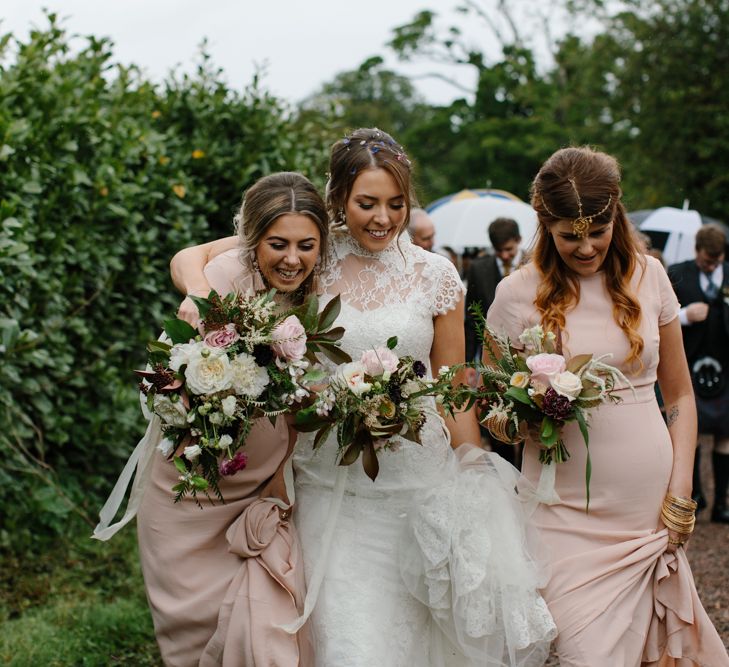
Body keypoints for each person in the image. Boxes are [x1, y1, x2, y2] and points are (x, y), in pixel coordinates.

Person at [170, 128, 556, 666]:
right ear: (339, 199)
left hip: (420, 486)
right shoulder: (307, 255)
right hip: (334, 491)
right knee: (349, 648)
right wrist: (196, 291)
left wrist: (471, 467)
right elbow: (194, 255)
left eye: (396, 204)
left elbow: (451, 387)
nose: (383, 218)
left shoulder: (436, 275)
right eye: (366, 203)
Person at [487, 146, 729, 666]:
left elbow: (680, 394)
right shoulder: (514, 294)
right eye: (570, 236)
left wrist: (682, 490)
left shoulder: (650, 277)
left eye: (597, 231)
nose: (586, 247)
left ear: (615, 216)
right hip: (558, 509)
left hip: (644, 509)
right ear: (544, 223)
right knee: (583, 653)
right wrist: (521, 414)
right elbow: (493, 408)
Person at [96, 172, 328, 666]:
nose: (293, 259)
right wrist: (200, 291)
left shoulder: (320, 280)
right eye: (278, 244)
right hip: (192, 486)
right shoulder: (228, 273)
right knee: (193, 622)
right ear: (254, 240)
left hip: (263, 487)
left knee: (263, 617)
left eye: (307, 245)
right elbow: (185, 258)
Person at [668, 224, 729, 524]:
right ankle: (695, 496)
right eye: (707, 260)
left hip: (725, 364)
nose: (712, 265)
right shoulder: (678, 273)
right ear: (697, 252)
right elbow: (660, 314)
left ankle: (722, 503)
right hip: (688, 362)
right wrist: (684, 316)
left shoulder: (728, 273)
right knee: (690, 432)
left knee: (725, 433)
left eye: (716, 261)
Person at [465, 218, 524, 466]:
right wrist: (469, 360)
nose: (505, 255)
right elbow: (471, 319)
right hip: (494, 358)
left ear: (519, 242)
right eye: (499, 251)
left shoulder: (535, 262)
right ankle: (508, 468)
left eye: (509, 250)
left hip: (528, 353)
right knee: (499, 416)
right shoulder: (480, 269)